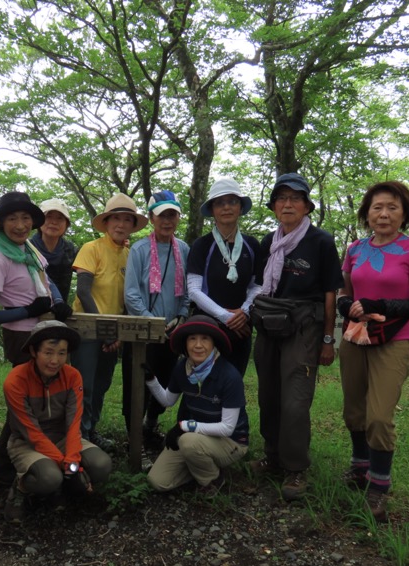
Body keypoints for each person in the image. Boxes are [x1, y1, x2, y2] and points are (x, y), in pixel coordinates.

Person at [337, 181, 409, 521]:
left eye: (392, 207)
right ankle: (359, 468)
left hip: (395, 339)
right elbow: (344, 292)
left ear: (404, 213)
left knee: (379, 415)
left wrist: (385, 305)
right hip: (355, 337)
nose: (384, 214)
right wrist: (346, 303)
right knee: (354, 409)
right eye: (377, 207)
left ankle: (379, 486)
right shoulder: (354, 249)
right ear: (366, 213)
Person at [249, 173, 342, 501]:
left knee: (296, 400)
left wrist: (329, 340)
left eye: (295, 198)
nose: (288, 204)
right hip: (270, 324)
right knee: (268, 395)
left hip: (305, 326)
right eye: (282, 198)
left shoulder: (320, 241)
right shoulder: (267, 243)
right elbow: (260, 285)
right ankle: (272, 456)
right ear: (274, 206)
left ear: (306, 206)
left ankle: (296, 468)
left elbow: (331, 292)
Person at [0, 191, 74, 483]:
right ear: (1, 223)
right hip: (21, 337)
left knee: (32, 401)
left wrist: (57, 301)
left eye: (25, 218)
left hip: (43, 329)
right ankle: (3, 464)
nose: (20, 225)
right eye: (12, 219)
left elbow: (45, 281)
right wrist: (27, 310)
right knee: (24, 402)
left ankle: (9, 461)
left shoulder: (27, 250)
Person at [3, 320, 113, 522]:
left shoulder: (72, 376)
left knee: (102, 465)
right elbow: (31, 433)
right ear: (34, 351)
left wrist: (72, 461)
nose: (55, 360)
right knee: (49, 477)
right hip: (27, 442)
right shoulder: (16, 380)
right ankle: (20, 488)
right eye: (48, 352)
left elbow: (73, 424)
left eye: (62, 353)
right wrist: (72, 468)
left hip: (63, 437)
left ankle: (64, 488)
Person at [70, 193, 148, 452]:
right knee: (85, 385)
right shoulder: (91, 249)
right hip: (88, 329)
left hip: (114, 331)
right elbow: (83, 292)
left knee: (102, 383)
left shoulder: (129, 254)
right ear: (106, 222)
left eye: (127, 220)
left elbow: (130, 297)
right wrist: (105, 330)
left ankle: (91, 431)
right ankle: (78, 437)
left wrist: (117, 332)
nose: (121, 224)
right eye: (116, 218)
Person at [144, 316, 249, 496]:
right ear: (185, 344)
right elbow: (168, 401)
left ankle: (212, 480)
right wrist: (151, 379)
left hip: (231, 441)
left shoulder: (229, 376)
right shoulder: (183, 367)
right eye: (192, 339)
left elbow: (227, 428)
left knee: (187, 442)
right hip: (197, 437)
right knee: (158, 481)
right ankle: (199, 466)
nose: (198, 345)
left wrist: (185, 427)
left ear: (214, 343)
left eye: (205, 339)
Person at [122, 191, 190, 464]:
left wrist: (183, 315)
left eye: (172, 214)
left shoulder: (183, 249)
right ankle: (133, 438)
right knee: (136, 383)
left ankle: (150, 426)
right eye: (162, 214)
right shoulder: (139, 249)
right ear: (151, 218)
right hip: (141, 329)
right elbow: (131, 294)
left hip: (172, 330)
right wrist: (151, 322)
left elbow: (187, 288)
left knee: (164, 380)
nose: (167, 220)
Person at [186, 178, 262, 376]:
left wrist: (244, 312)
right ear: (212, 210)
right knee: (204, 389)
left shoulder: (252, 245)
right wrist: (226, 316)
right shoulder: (201, 245)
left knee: (233, 386)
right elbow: (193, 290)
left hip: (241, 330)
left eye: (232, 201)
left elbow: (257, 286)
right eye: (220, 203)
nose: (226, 207)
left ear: (240, 207)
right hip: (206, 331)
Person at [30, 199, 78, 304]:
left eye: (60, 218)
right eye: (49, 217)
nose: (54, 222)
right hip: (29, 310)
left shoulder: (70, 250)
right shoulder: (27, 248)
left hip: (60, 312)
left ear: (66, 224)